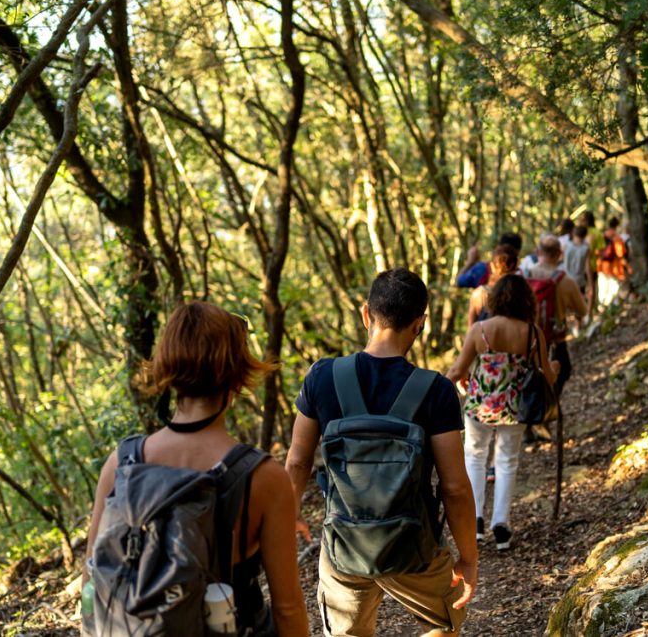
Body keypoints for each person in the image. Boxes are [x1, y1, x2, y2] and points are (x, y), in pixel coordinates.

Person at [84, 302, 309, 636]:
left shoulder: (122, 463)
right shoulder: (263, 477)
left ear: (166, 370)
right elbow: (287, 607)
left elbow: (92, 581)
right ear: (237, 376)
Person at [286, 269, 477, 637]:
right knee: (441, 622)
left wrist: (290, 513)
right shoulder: (436, 391)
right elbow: (454, 488)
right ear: (420, 324)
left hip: (345, 546)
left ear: (365, 313)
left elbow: (297, 461)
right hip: (415, 548)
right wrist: (467, 559)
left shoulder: (322, 378)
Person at [446, 275, 558, 552]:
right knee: (507, 460)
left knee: (475, 457)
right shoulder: (533, 332)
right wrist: (555, 365)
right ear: (526, 301)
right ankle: (502, 524)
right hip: (515, 406)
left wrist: (443, 385)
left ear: (495, 299)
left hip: (480, 404)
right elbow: (547, 376)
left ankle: (475, 521)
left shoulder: (480, 329)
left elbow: (457, 370)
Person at [521, 235, 587, 398]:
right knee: (563, 371)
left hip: (525, 339)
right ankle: (549, 404)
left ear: (537, 252)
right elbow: (582, 310)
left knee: (526, 376)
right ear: (559, 254)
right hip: (555, 340)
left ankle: (529, 412)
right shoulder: (565, 281)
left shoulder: (522, 277)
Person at [466, 244, 518, 327]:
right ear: (513, 266)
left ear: (492, 266)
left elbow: (471, 328)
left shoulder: (479, 294)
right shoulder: (520, 294)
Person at [455, 232, 523, 288]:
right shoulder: (522, 276)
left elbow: (458, 282)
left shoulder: (481, 269)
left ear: (498, 248)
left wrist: (470, 261)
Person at [596, 217, 632, 308]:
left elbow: (596, 251)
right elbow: (621, 254)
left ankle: (603, 308)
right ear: (617, 226)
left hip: (601, 267)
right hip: (614, 268)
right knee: (613, 290)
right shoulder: (616, 238)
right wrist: (628, 267)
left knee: (603, 289)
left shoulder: (601, 236)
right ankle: (611, 309)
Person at [564, 224, 591, 298]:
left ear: (573, 233)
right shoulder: (586, 249)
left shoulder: (566, 246)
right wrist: (590, 283)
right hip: (579, 281)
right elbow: (587, 268)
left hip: (566, 279)